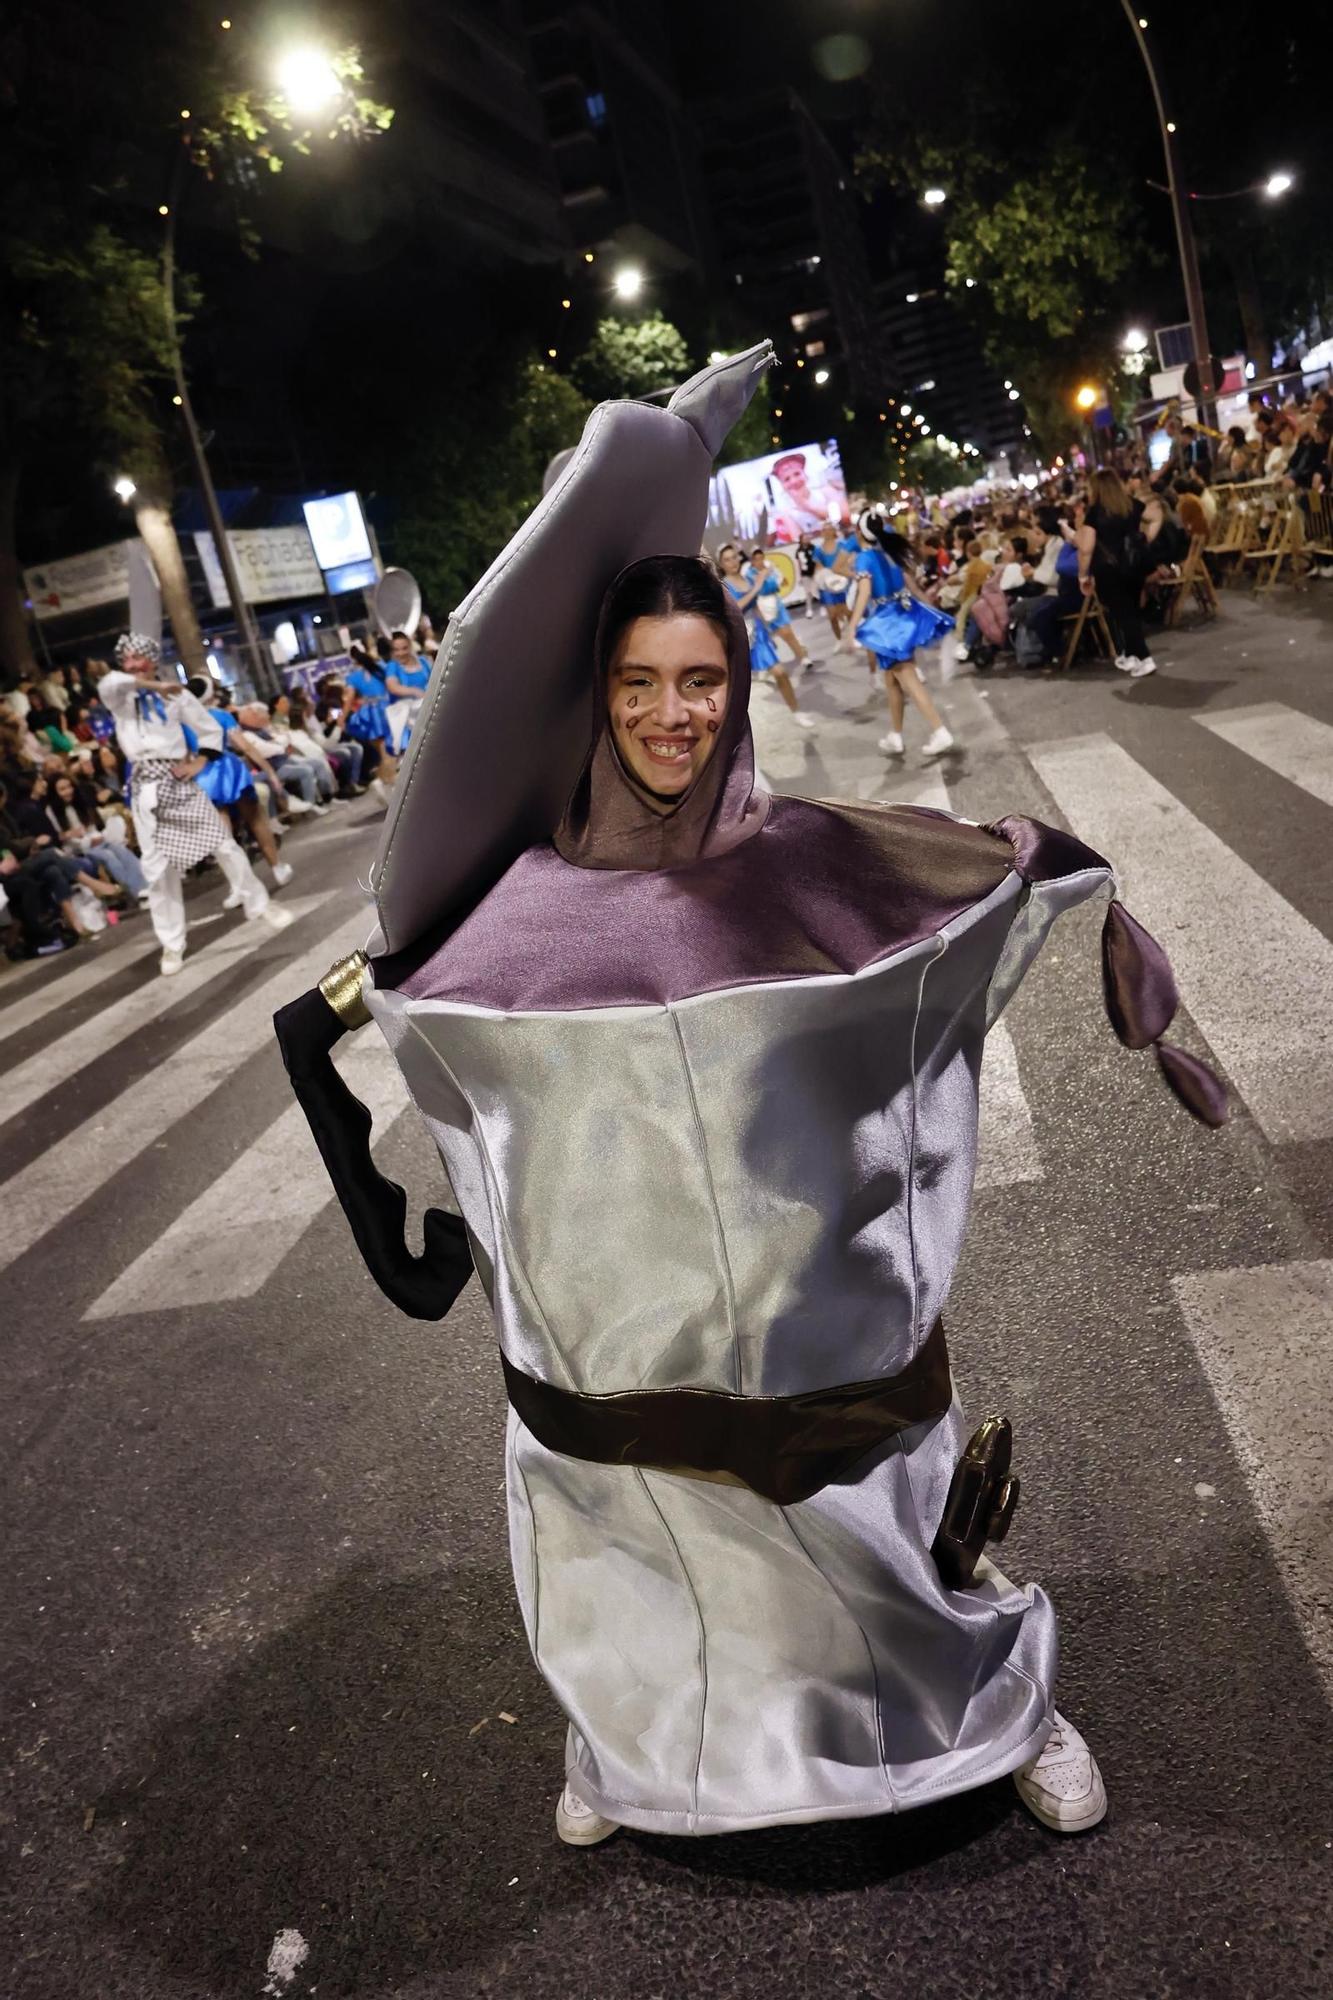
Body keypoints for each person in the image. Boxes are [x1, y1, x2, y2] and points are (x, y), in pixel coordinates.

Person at [277, 450, 1226, 1855]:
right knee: (629, 1520)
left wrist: (1077, 902)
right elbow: (363, 1005)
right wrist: (391, 1213)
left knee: (880, 1495)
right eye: (640, 684)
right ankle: (625, 1739)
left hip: (823, 1307)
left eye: (702, 681)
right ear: (597, 697)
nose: (674, 715)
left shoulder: (818, 858)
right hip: (620, 1333)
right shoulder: (514, 910)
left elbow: (978, 870)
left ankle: (998, 1704)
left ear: (737, 684)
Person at [99, 633, 292, 975]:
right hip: (145, 788)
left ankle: (260, 904)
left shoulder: (178, 697)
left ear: (153, 661)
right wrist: (152, 687)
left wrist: (199, 762)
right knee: (157, 870)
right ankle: (172, 944)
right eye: (126, 660)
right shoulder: (122, 699)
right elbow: (110, 683)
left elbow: (208, 730)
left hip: (177, 780)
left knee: (223, 845)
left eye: (137, 659)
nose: (130, 665)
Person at [840, 513, 956, 757]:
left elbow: (864, 592)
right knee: (892, 680)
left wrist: (851, 627)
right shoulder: (890, 552)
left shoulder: (865, 558)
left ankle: (939, 730)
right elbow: (911, 587)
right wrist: (932, 609)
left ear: (860, 534)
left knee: (907, 676)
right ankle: (896, 735)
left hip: (887, 624)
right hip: (903, 615)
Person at [183, 678, 294, 887]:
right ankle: (277, 867)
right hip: (228, 769)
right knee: (256, 819)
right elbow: (246, 747)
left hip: (203, 775)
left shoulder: (184, 722)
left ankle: (239, 886)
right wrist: (269, 772)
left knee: (223, 835)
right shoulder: (221, 716)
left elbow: (185, 755)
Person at [715, 544, 816, 731]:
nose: (732, 562)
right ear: (721, 563)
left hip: (759, 634)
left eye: (734, 557)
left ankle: (796, 712)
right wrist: (757, 588)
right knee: (732, 690)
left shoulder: (747, 579)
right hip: (740, 637)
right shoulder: (724, 586)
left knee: (780, 672)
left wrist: (768, 631)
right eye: (727, 559)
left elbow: (754, 607)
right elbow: (735, 607)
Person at [1077, 469, 1156, 678]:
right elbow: (1155, 516)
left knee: (1123, 614)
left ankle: (1144, 657)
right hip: (1134, 564)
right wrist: (1147, 538)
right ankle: (1130, 654)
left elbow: (1086, 548)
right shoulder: (1131, 505)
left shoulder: (1095, 512)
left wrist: (1083, 575)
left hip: (1108, 569)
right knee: (1130, 610)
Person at [745, 548, 808, 668]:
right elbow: (757, 587)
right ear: (752, 561)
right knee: (776, 637)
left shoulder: (772, 570)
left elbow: (782, 582)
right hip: (763, 608)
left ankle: (803, 657)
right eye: (756, 559)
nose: (759, 561)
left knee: (788, 632)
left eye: (761, 557)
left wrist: (775, 579)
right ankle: (799, 650)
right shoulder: (750, 574)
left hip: (776, 603)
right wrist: (767, 572)